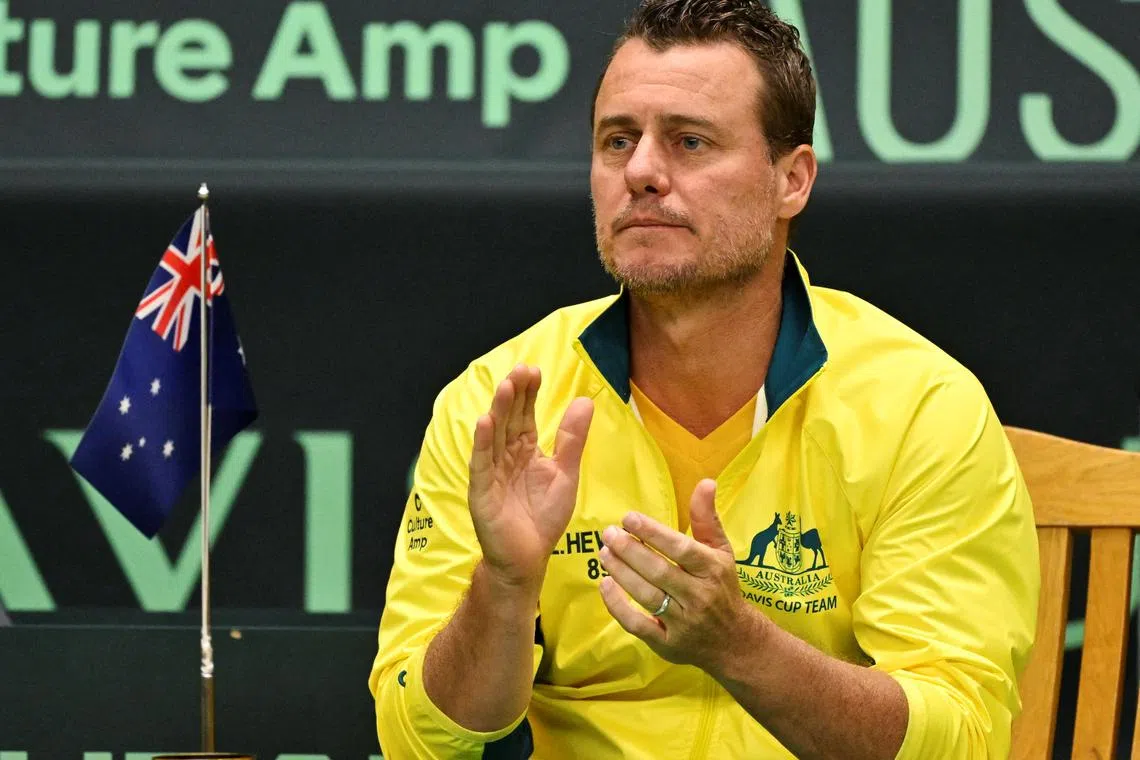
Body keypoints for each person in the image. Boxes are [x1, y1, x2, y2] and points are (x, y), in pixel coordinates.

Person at [369, 0, 1039, 757]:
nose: (641, 172)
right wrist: (503, 585)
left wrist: (740, 645)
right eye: (618, 141)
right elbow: (417, 742)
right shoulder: (503, 401)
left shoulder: (921, 406)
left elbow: (962, 738)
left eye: (690, 141)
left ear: (792, 180)